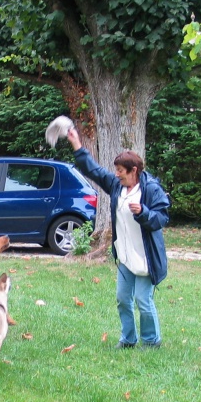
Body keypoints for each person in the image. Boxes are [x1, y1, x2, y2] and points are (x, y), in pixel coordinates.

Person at [66, 127, 170, 349]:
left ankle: (151, 341)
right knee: (123, 299)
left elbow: (161, 218)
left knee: (143, 300)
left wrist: (143, 212)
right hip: (125, 256)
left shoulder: (150, 189)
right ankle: (128, 339)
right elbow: (94, 171)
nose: (116, 174)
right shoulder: (116, 186)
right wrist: (77, 144)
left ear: (133, 170)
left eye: (121, 170)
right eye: (116, 170)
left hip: (146, 257)